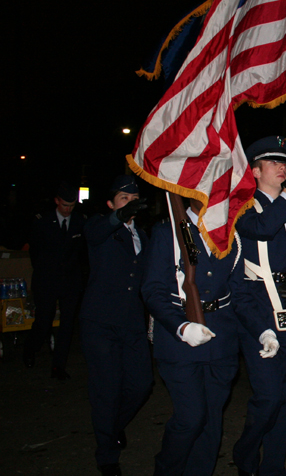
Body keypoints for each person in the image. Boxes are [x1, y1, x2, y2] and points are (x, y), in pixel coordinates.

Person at [231, 136, 286, 476]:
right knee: (267, 400)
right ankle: (245, 453)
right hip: (259, 314)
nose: (283, 167)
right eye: (272, 162)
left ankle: (273, 467)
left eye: (285, 162)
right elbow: (263, 230)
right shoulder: (241, 207)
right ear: (254, 171)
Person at [143, 195, 244, 476]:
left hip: (221, 339)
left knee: (211, 421)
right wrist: (182, 326)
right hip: (180, 342)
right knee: (191, 418)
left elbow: (238, 292)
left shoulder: (231, 236)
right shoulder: (168, 232)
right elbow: (153, 289)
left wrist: (261, 330)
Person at [81, 175, 152, 476]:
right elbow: (94, 233)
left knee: (141, 385)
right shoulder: (100, 227)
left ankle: (113, 425)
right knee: (106, 391)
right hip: (101, 322)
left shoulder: (143, 236)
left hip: (132, 323)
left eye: (133, 199)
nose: (130, 203)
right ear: (111, 204)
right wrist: (117, 217)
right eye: (124, 199)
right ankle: (107, 455)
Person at [24, 181, 87, 379]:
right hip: (47, 280)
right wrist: (45, 273)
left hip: (70, 281)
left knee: (67, 324)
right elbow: (35, 253)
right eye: (64, 205)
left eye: (71, 205)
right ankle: (30, 349)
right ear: (56, 201)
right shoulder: (42, 222)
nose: (68, 209)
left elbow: (81, 254)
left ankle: (58, 366)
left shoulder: (79, 221)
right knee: (44, 320)